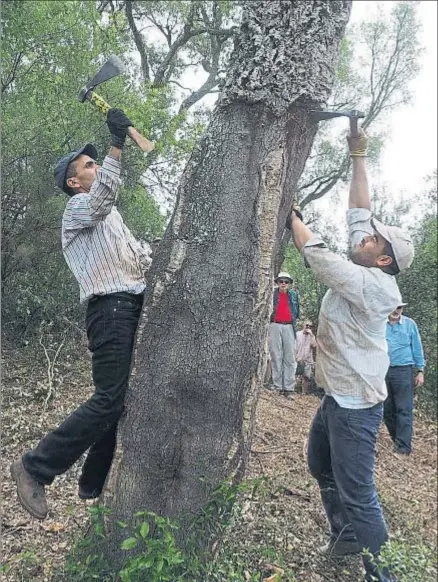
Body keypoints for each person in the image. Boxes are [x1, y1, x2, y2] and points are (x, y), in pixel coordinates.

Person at [11, 108, 152, 520]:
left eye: (96, 162)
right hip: (109, 310)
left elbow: (141, 257)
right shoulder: (77, 209)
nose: (96, 167)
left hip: (131, 305)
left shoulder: (112, 217)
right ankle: (35, 467)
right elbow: (105, 197)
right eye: (89, 165)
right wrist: (116, 144)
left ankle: (92, 481)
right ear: (74, 182)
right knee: (109, 399)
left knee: (122, 397)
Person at [288, 128, 414, 582]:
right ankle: (345, 537)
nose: (365, 236)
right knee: (320, 466)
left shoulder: (374, 285)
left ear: (382, 259)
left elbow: (320, 259)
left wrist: (292, 216)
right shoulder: (370, 260)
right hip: (336, 396)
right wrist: (358, 155)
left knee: (359, 492)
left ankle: (385, 575)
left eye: (374, 239)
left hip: (356, 405)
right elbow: (360, 210)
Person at [384, 303, 425, 455]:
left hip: (403, 371)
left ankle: (404, 447)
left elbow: (417, 348)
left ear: (402, 309)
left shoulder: (409, 324)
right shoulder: (380, 324)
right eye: (393, 306)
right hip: (383, 370)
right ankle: (397, 439)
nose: (396, 310)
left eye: (399, 307)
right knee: (386, 409)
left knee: (404, 408)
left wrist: (420, 370)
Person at [268, 272, 300, 398]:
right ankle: (277, 386)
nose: (283, 284)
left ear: (289, 283)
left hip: (289, 326)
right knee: (276, 355)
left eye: (286, 281)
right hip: (274, 325)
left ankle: (289, 388)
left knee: (290, 357)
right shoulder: (272, 294)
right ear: (277, 282)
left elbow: (297, 312)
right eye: (281, 281)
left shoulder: (293, 295)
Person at [295, 319, 317, 394]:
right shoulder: (298, 334)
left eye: (310, 326)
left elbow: (314, 345)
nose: (308, 327)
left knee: (306, 377)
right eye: (307, 325)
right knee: (293, 375)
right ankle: (291, 391)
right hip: (297, 358)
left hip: (307, 359)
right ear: (303, 325)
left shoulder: (311, 336)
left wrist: (311, 335)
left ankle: (304, 394)